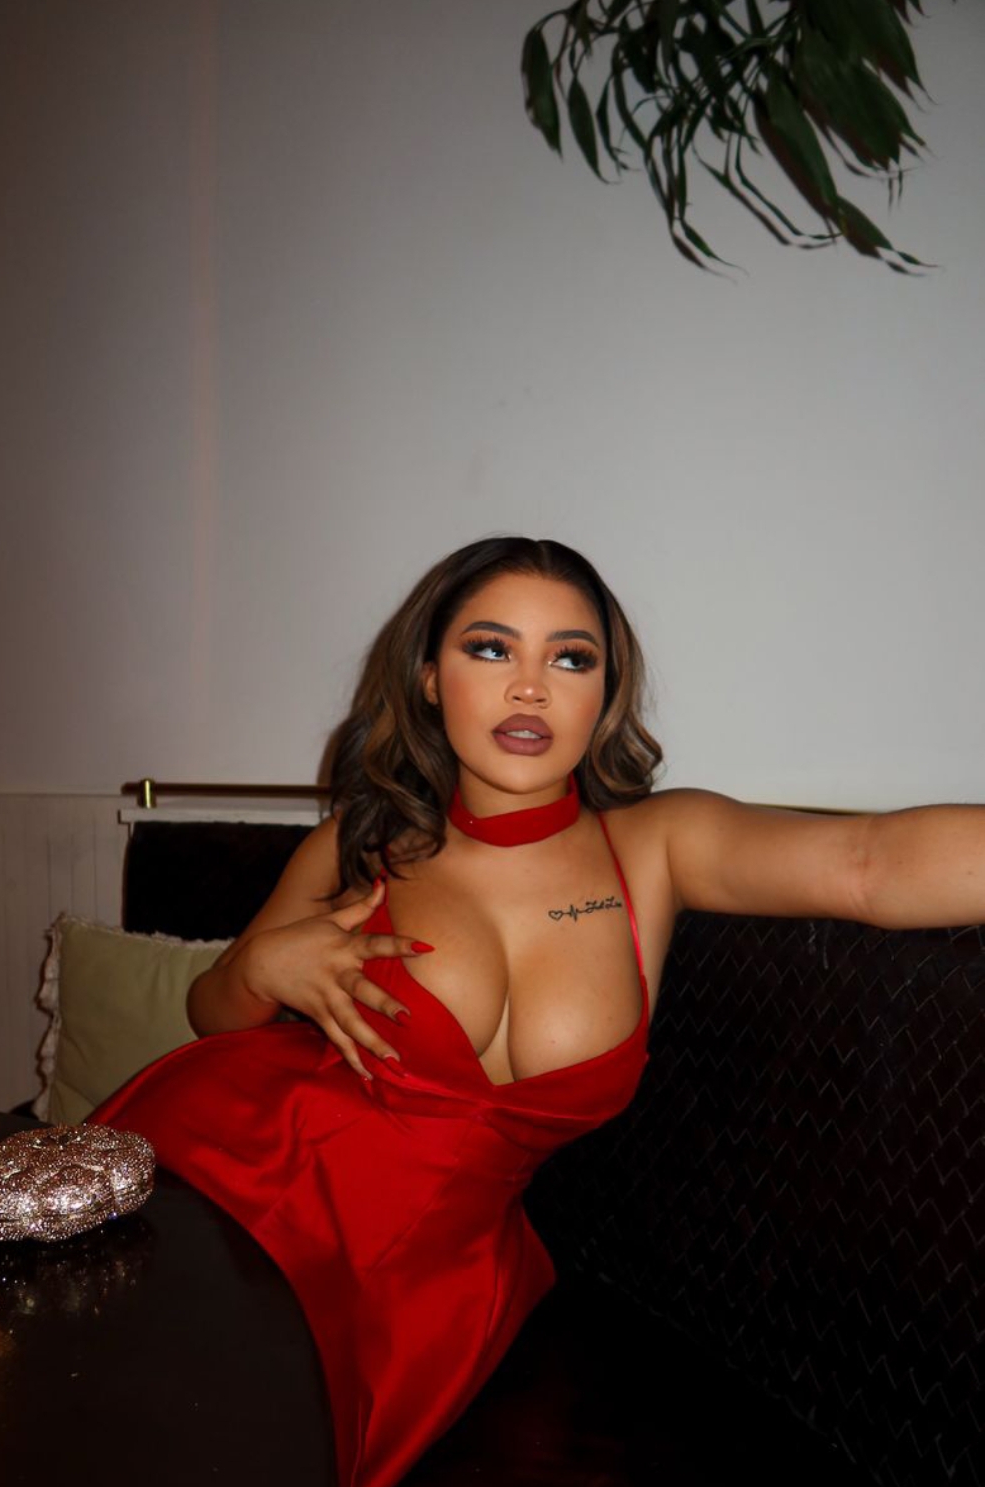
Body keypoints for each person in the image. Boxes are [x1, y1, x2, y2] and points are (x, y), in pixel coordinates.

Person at [92, 535, 985, 1487]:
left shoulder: (655, 845)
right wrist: (264, 963)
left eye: (570, 658)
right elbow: (214, 1017)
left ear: (604, 694)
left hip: (443, 1278)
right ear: (429, 677)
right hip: (246, 1195)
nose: (530, 687)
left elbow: (868, 865)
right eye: (490, 648)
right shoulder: (364, 842)